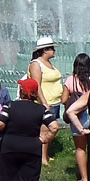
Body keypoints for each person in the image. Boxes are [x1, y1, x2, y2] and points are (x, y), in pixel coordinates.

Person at [0, 76, 59, 181]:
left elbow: (0, 123)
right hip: (32, 147)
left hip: (10, 147)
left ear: (22, 91)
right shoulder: (41, 109)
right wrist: (45, 139)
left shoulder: (10, 106)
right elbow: (54, 127)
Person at [28, 37, 63, 166]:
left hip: (54, 101)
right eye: (52, 48)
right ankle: (42, 158)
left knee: (49, 129)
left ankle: (45, 154)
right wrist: (43, 102)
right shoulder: (36, 64)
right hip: (44, 102)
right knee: (45, 130)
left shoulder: (47, 63)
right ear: (44, 50)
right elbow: (36, 85)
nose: (54, 51)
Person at [63, 52, 90, 181]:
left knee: (80, 148)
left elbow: (63, 100)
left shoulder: (70, 80)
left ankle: (85, 178)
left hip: (77, 117)